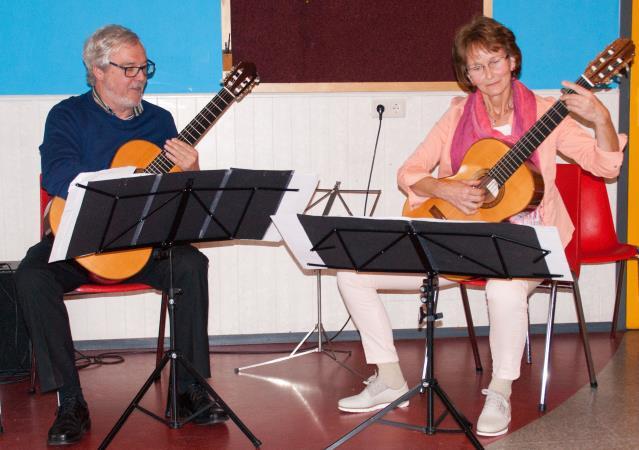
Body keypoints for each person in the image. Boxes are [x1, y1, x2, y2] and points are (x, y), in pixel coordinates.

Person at [336, 16, 626, 437]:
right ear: (465, 74)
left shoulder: (547, 114)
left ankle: (501, 390)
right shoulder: (456, 117)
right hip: (459, 238)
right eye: (475, 67)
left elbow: (604, 164)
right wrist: (445, 189)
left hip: (528, 241)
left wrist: (599, 117)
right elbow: (409, 172)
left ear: (512, 62)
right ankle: (389, 377)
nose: (486, 75)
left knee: (504, 287)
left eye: (493, 62)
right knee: (352, 274)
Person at [15, 25, 227, 446]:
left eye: (143, 67)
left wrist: (191, 169)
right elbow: (57, 174)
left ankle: (188, 390)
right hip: (82, 243)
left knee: (190, 263)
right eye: (128, 68)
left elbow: (180, 197)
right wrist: (119, 184)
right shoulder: (67, 115)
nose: (140, 77)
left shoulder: (160, 121)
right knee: (30, 275)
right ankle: (70, 401)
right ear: (97, 70)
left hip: (143, 245)